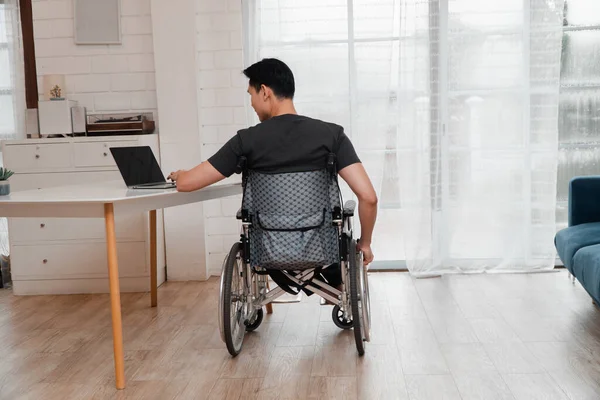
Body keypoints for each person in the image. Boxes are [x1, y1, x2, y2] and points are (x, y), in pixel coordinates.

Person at [168, 58, 378, 291]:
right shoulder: (331, 135)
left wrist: (181, 175)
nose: (251, 104)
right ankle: (332, 286)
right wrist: (365, 244)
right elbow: (368, 197)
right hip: (320, 248)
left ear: (265, 92)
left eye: (251, 95)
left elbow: (187, 184)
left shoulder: (246, 141)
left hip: (267, 250)